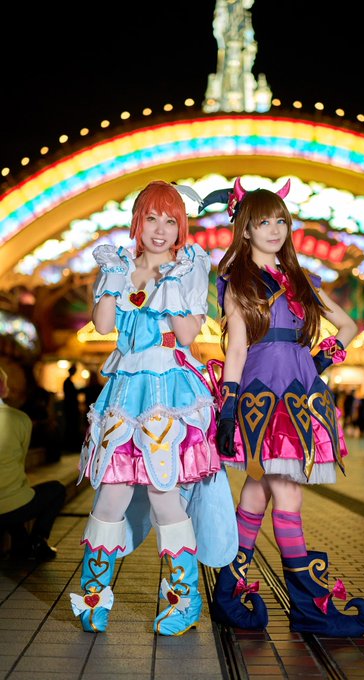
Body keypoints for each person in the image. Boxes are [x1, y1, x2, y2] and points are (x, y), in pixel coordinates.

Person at [200, 178, 364, 637]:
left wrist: (318, 362)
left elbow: (347, 325)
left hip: (298, 395)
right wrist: (229, 406)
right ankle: (309, 609)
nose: (275, 229)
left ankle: (228, 595)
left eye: (280, 220)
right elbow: (237, 348)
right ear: (245, 229)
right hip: (262, 396)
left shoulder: (302, 279)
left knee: (257, 493)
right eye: (263, 222)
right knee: (288, 495)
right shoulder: (237, 281)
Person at [70, 180, 237, 636]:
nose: (160, 230)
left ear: (181, 227)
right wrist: (114, 278)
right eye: (151, 219)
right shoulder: (119, 264)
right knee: (111, 495)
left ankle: (185, 601)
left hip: (169, 391)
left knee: (165, 495)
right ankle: (94, 597)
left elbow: (186, 335)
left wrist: (171, 283)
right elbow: (104, 324)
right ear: (137, 222)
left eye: (170, 221)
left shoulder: (189, 265)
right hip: (124, 393)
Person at [0, 366, 66, 561]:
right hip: (11, 506)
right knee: (56, 490)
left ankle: (21, 544)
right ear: (3, 387)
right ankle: (38, 541)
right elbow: (20, 460)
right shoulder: (20, 419)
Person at [63, 364, 82, 451]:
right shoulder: (68, 382)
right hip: (70, 407)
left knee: (71, 425)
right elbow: (71, 394)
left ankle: (71, 445)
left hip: (70, 407)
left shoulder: (68, 381)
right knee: (71, 426)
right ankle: (71, 445)